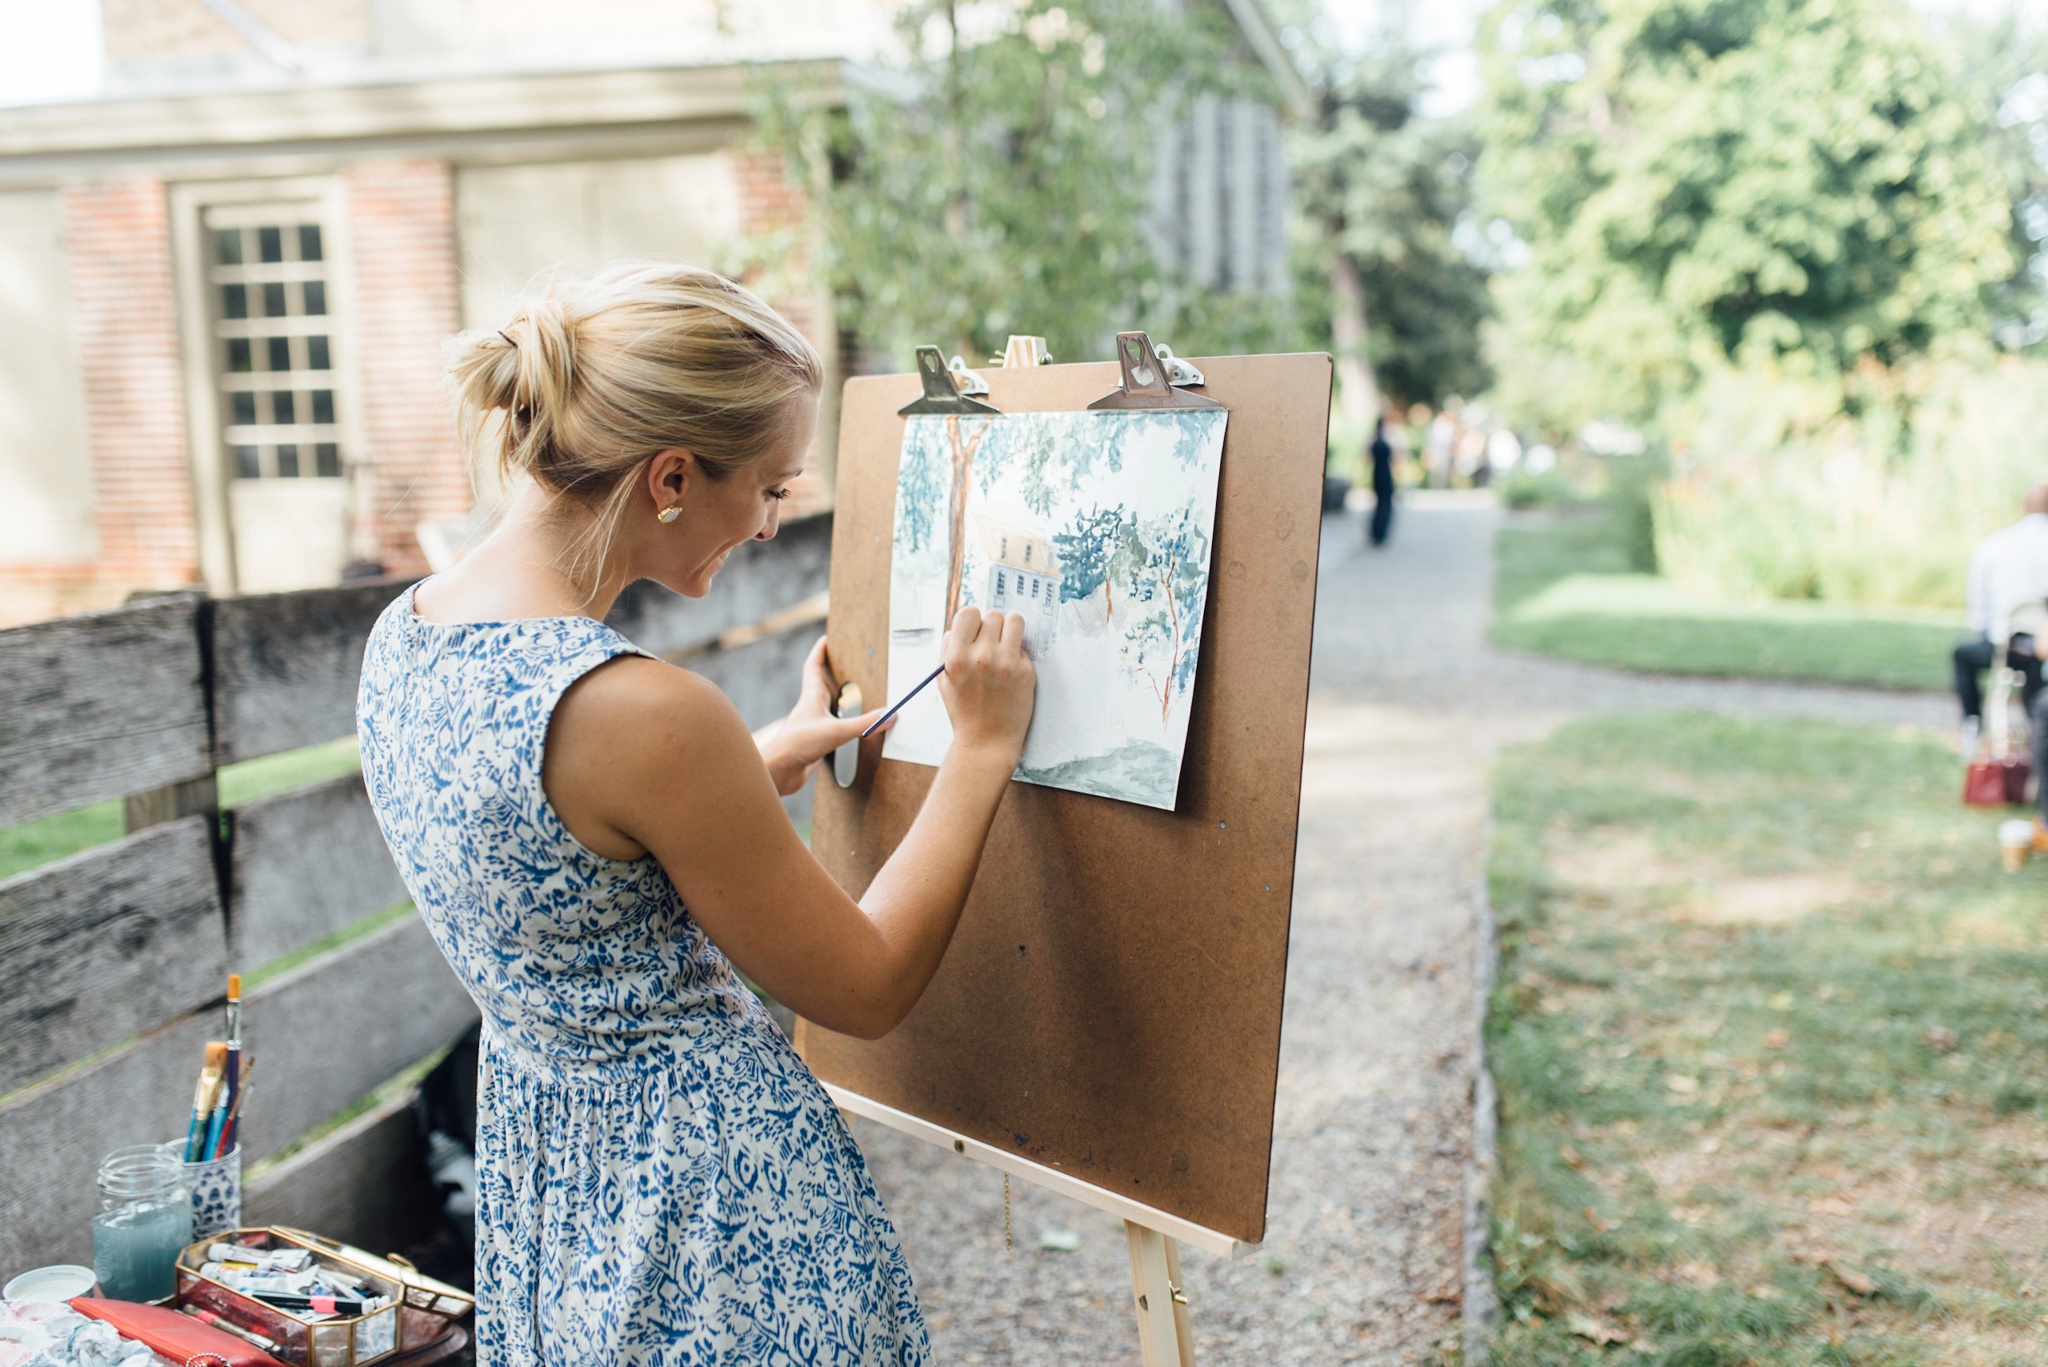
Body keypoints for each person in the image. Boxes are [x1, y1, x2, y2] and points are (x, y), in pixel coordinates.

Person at [355, 261, 1036, 1365]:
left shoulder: (409, 631)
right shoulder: (642, 712)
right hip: (709, 1209)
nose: (772, 523)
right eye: (770, 487)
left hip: (554, 1175)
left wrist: (747, 766)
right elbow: (863, 984)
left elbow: (549, 848)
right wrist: (983, 745)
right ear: (670, 475)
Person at [1955, 484, 2048, 754]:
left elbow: (1978, 612)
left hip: (2004, 648)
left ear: (2024, 506)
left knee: (1962, 655)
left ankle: (1972, 727)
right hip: (2042, 651)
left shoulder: (1993, 544)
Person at [1367, 416, 1396, 547]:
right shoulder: (1389, 438)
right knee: (1385, 503)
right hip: (1385, 472)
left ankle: (1376, 532)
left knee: (1380, 503)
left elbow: (1367, 457)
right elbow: (1396, 458)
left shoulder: (1373, 439)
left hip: (1376, 472)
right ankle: (1380, 532)